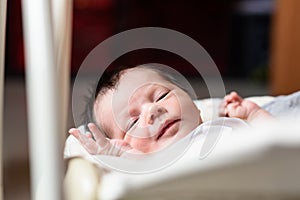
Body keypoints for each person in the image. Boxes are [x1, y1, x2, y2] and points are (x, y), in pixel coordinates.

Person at [68, 65, 274, 158]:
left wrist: (253, 115)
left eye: (161, 96)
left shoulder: (226, 125)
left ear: (194, 104)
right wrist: (118, 155)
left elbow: (279, 138)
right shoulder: (154, 163)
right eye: (132, 123)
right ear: (121, 144)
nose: (153, 110)